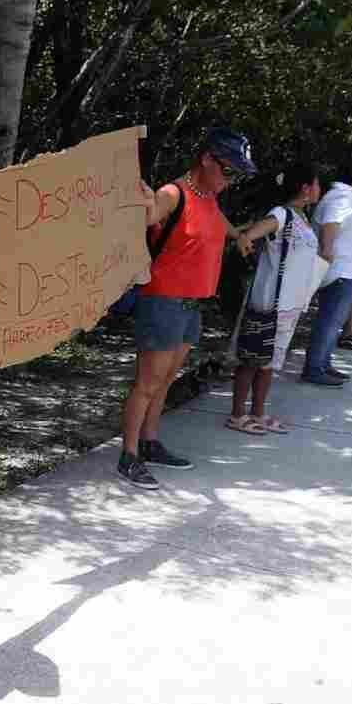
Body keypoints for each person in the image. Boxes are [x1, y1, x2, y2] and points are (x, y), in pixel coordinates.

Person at [115, 127, 255, 489]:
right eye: (229, 170)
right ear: (207, 158)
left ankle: (149, 441)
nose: (231, 179)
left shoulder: (208, 197)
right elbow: (149, 215)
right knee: (147, 383)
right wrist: (145, 201)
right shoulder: (173, 194)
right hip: (163, 301)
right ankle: (128, 455)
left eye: (237, 174)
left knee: (164, 381)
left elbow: (220, 224)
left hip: (192, 305)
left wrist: (239, 236)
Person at [226, 164, 322, 433]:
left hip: (289, 304)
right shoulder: (282, 214)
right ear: (305, 188)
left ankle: (257, 413)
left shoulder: (302, 219)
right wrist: (245, 238)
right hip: (270, 301)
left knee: (270, 361)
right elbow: (259, 230)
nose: (319, 190)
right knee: (251, 358)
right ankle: (237, 414)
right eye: (316, 184)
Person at [301, 151, 352, 386]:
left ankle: (323, 363)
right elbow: (331, 222)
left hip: (349, 270)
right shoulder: (342, 196)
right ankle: (315, 367)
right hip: (340, 271)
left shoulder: (351, 196)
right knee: (329, 319)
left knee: (334, 321)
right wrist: (326, 250)